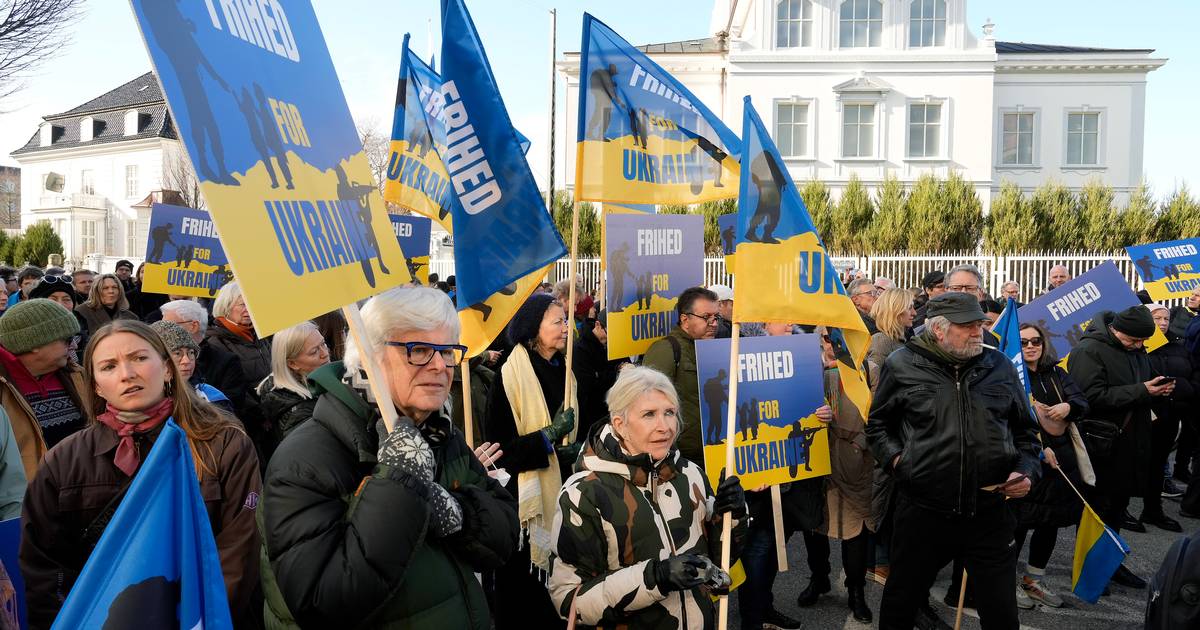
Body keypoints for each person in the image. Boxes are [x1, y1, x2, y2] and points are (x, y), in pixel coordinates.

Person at [261, 287, 517, 629]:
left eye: (447, 351)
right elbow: (323, 601)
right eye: (420, 350)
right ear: (369, 357)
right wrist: (401, 483)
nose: (441, 366)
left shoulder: (440, 433)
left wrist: (457, 512)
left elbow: (504, 537)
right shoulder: (304, 460)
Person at [20, 320, 262, 628]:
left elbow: (237, 551)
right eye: (109, 366)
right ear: (95, 384)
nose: (127, 374)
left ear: (167, 368)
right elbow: (44, 565)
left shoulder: (224, 442)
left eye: (139, 358)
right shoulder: (64, 460)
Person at [865, 293, 1040, 629]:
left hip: (990, 511)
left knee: (1002, 614)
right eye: (969, 326)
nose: (978, 332)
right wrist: (901, 463)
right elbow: (878, 427)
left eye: (980, 324)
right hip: (923, 512)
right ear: (939, 330)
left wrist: (1027, 471)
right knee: (901, 605)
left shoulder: (999, 365)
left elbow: (1026, 434)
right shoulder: (902, 364)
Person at [547, 366, 746, 630]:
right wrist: (656, 577)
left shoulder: (691, 473)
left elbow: (720, 562)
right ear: (620, 424)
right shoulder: (583, 493)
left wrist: (731, 517)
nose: (664, 426)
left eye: (670, 413)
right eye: (649, 415)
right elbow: (570, 602)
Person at [484, 293, 578, 630]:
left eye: (567, 320)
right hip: (526, 507)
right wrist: (548, 438)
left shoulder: (566, 370)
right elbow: (500, 452)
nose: (567, 327)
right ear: (533, 330)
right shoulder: (509, 377)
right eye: (558, 321)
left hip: (564, 494)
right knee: (527, 592)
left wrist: (574, 451)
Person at [1068, 305, 1173, 589]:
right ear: (1117, 331)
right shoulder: (1088, 351)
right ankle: (1090, 571)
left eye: (1142, 342)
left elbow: (1141, 386)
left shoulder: (1135, 349)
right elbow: (1088, 397)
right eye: (1134, 341)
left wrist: (1158, 389)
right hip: (1102, 444)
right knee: (1098, 509)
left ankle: (1111, 565)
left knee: (1118, 507)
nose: (1139, 346)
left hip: (1131, 441)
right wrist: (1142, 391)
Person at [1009, 323, 1090, 608]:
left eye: (1036, 341)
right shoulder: (1010, 375)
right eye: (1024, 342)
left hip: (1061, 463)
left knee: (1050, 523)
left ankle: (1034, 580)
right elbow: (1006, 420)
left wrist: (1069, 407)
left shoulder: (1056, 372)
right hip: (1028, 459)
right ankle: (1008, 582)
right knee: (1019, 524)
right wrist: (1039, 449)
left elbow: (1081, 401)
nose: (1031, 346)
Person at [798, 327, 875, 623]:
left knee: (855, 531)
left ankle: (856, 591)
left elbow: (883, 415)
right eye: (828, 338)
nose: (834, 344)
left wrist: (860, 442)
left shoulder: (871, 370)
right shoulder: (805, 367)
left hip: (855, 463)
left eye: (840, 338)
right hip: (815, 460)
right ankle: (819, 578)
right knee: (814, 525)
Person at [0, 298, 87, 482]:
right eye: (67, 339)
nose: (74, 346)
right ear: (33, 344)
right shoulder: (3, 385)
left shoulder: (78, 375)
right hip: (26, 503)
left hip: (81, 494)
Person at [641, 287, 719, 464]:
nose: (714, 323)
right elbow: (647, 405)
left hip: (711, 451)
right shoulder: (666, 349)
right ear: (685, 319)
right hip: (679, 457)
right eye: (706, 317)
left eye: (716, 317)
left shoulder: (714, 349)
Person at [1141, 304, 1196, 530]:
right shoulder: (1136, 345)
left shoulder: (1178, 345)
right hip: (1143, 416)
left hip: (1170, 415)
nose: (1163, 323)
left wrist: (1180, 389)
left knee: (1157, 464)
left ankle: (1153, 510)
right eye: (1156, 318)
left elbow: (1190, 374)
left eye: (1165, 318)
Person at [160, 299, 250, 416]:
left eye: (169, 326)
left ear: (193, 326)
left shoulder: (226, 362)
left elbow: (229, 410)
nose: (163, 331)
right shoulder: (158, 359)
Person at [256, 321, 329, 445]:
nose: (325, 353)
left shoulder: (317, 382)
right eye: (314, 351)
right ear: (292, 364)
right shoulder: (298, 416)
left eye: (324, 344)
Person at [149, 320, 233, 415]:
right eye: (177, 353)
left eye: (191, 353)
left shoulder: (210, 396)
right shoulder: (141, 401)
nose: (187, 361)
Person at [572, 309, 629, 439]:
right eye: (611, 332)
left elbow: (625, 366)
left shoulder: (615, 344)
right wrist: (616, 373)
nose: (614, 337)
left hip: (614, 413)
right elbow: (588, 384)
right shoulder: (580, 349)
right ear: (598, 325)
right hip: (591, 418)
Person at [28, 275, 89, 361]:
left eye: (66, 299)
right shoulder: (28, 334)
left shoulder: (82, 330)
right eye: (53, 299)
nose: (60, 304)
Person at [867, 288, 915, 379]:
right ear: (895, 310)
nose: (914, 313)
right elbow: (874, 379)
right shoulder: (881, 340)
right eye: (909, 308)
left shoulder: (907, 337)